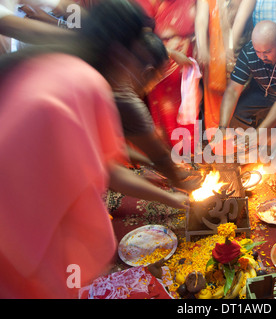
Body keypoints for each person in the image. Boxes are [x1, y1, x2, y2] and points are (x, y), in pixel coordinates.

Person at [0, 0, 189, 298]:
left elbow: (103, 165)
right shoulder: (87, 82)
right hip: (24, 243)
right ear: (122, 51)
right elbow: (105, 173)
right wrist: (173, 194)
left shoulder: (54, 61)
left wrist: (168, 194)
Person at [111, 30, 202, 191]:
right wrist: (174, 187)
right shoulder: (123, 97)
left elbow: (117, 146)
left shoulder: (119, 63)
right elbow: (110, 154)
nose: (153, 86)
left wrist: (163, 168)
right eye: (157, 78)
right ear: (148, 73)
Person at [134, 0, 199, 154]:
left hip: (185, 58)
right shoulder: (145, 4)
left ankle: (188, 152)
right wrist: (171, 52)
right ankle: (169, 155)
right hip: (160, 57)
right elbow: (142, 37)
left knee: (188, 105)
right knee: (165, 110)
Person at [195, 0, 255, 136]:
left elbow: (240, 19)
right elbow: (201, 19)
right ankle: (216, 138)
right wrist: (201, 46)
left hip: (238, 50)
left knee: (236, 93)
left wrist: (229, 49)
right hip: (213, 53)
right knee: (213, 96)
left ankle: (235, 138)